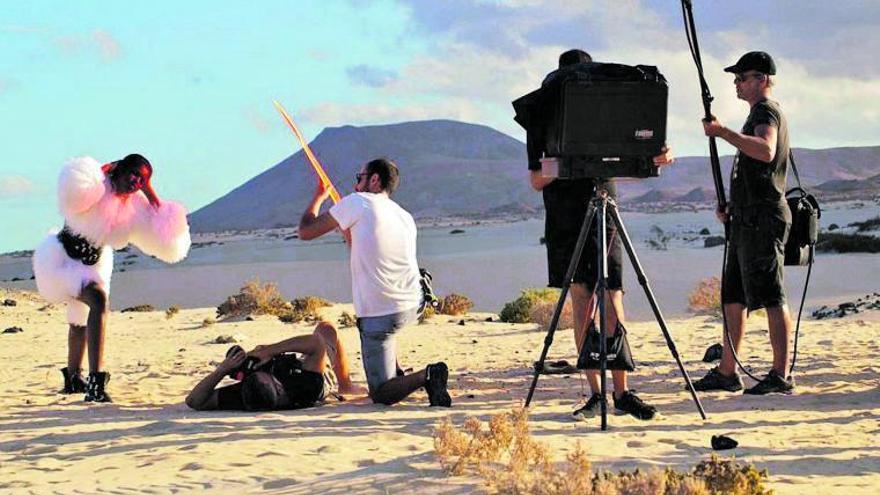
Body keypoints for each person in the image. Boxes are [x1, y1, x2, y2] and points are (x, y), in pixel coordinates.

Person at [527, 49, 674, 420]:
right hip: (565, 216)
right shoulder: (541, 117)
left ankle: (623, 392)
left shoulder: (611, 115)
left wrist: (653, 158)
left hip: (605, 213)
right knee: (582, 303)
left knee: (613, 299)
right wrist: (567, 163)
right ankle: (596, 393)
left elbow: (631, 165)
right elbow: (535, 179)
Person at [33, 154, 191, 402]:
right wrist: (106, 170)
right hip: (61, 260)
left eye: (143, 179)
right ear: (120, 169)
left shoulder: (134, 204)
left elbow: (164, 230)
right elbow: (75, 191)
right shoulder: (96, 186)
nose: (137, 182)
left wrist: (148, 190)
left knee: (80, 321)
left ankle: (74, 378)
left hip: (94, 264)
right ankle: (95, 383)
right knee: (97, 303)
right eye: (134, 175)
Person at [297, 158, 451, 407]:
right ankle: (394, 369)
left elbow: (305, 231)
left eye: (360, 178)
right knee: (385, 330)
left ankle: (428, 375)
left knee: (380, 392)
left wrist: (318, 197)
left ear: (375, 179)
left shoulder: (357, 202)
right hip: (414, 304)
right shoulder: (403, 215)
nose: (356, 185)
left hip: (382, 314)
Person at [694, 51, 795, 395]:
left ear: (762, 79)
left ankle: (780, 374)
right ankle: (726, 371)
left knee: (770, 295)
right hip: (745, 218)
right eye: (736, 79)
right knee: (733, 296)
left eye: (742, 77)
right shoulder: (756, 114)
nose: (736, 84)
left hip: (763, 218)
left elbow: (765, 150)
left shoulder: (766, 112)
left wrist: (722, 132)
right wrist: (732, 206)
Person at [185, 321, 362, 411]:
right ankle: (346, 385)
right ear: (278, 386)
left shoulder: (244, 397)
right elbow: (316, 343)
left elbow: (194, 400)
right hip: (317, 374)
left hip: (294, 370)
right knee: (326, 330)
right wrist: (269, 351)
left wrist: (223, 370)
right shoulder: (306, 387)